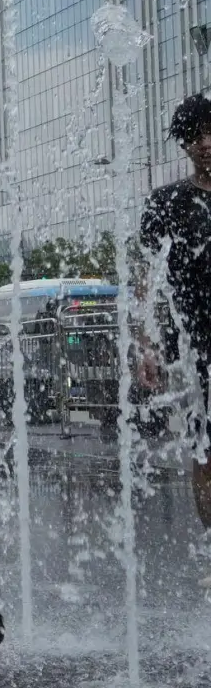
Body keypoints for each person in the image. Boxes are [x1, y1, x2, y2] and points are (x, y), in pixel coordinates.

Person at [138, 95, 211, 549]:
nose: (203, 144)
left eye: (209, 132)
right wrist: (146, 345)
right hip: (199, 344)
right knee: (206, 449)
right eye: (192, 138)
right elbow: (147, 280)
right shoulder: (169, 202)